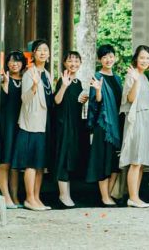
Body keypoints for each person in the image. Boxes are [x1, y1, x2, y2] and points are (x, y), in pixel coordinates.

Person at [13, 38, 54, 211]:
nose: (43, 52)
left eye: (45, 50)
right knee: (31, 163)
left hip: (44, 123)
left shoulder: (47, 74)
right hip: (31, 123)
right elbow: (25, 99)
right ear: (34, 54)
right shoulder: (30, 73)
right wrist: (34, 87)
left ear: (49, 54)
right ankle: (29, 198)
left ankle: (37, 198)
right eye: (39, 50)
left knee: (40, 164)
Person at [52, 50, 90, 208]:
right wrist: (64, 86)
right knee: (63, 157)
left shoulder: (79, 83)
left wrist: (82, 99)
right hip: (63, 125)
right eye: (70, 61)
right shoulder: (62, 80)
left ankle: (67, 194)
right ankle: (63, 195)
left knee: (70, 158)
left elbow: (76, 104)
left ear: (80, 64)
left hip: (75, 125)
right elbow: (57, 101)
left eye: (76, 61)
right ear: (64, 63)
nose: (73, 64)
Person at [119, 45, 149, 208]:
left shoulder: (145, 77)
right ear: (136, 59)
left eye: (147, 58)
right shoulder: (132, 75)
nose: (145, 60)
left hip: (146, 119)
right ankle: (132, 197)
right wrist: (135, 81)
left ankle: (136, 196)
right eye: (142, 57)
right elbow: (131, 98)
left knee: (141, 162)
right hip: (136, 118)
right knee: (135, 160)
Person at [87, 44, 123, 206]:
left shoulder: (117, 78)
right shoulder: (97, 77)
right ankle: (104, 197)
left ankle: (108, 194)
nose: (108, 59)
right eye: (105, 57)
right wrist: (99, 91)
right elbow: (96, 101)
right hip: (104, 126)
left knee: (114, 163)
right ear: (99, 59)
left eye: (111, 56)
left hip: (117, 125)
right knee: (103, 161)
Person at [0, 51, 26, 208]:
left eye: (18, 61)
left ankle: (15, 197)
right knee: (5, 161)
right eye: (11, 61)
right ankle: (5, 196)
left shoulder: (27, 79)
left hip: (21, 124)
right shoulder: (3, 80)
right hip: (6, 124)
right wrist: (5, 86)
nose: (15, 64)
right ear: (7, 63)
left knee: (16, 164)